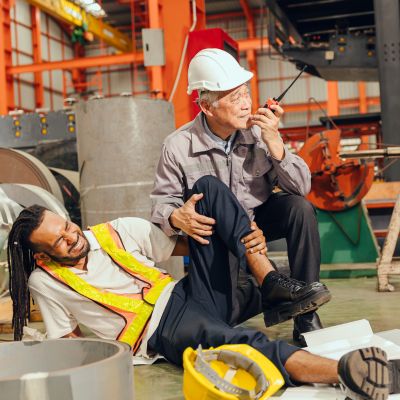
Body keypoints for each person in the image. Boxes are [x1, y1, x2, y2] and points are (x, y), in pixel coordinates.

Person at [7, 176, 399, 400]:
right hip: (163, 329)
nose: (71, 238)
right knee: (240, 343)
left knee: (208, 187)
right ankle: (344, 372)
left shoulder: (117, 231)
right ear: (42, 254)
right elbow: (70, 340)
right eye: (58, 241)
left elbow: (185, 244)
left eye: (67, 227)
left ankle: (269, 281)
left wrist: (228, 237)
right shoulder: (45, 281)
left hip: (188, 292)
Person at [151, 48, 323, 345]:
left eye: (246, 94)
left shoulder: (259, 133)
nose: (246, 104)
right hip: (218, 237)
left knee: (300, 209)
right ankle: (269, 287)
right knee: (220, 316)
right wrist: (176, 216)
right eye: (235, 98)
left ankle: (304, 314)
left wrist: (275, 142)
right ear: (207, 107)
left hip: (259, 223)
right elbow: (161, 204)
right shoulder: (178, 146)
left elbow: (301, 187)